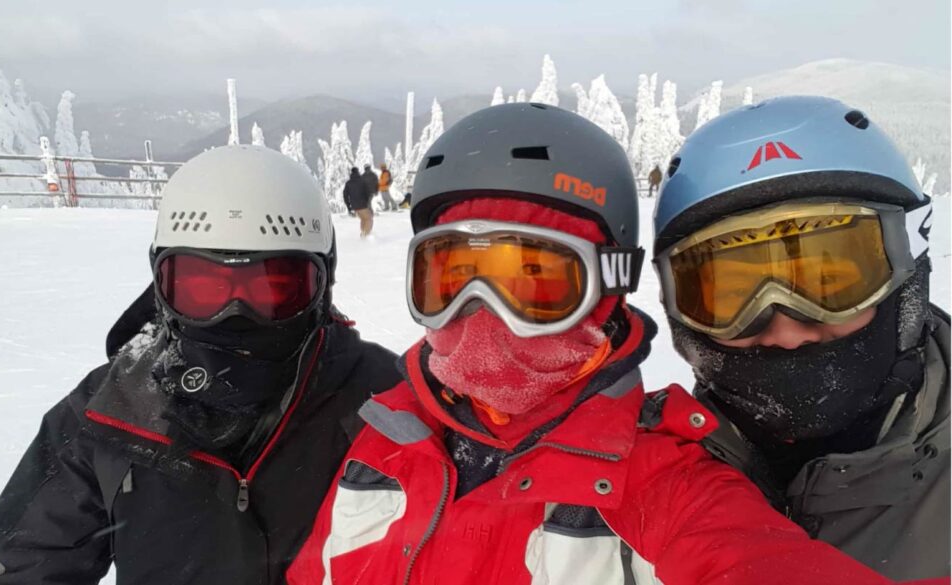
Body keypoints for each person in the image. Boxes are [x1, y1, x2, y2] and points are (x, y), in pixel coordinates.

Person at [288, 104, 894, 585]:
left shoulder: (667, 487)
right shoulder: (385, 441)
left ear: (608, 289)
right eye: (451, 280)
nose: (482, 317)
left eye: (536, 281)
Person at [0, 146, 401, 584]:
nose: (236, 313)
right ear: (161, 286)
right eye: (202, 288)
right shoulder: (113, 410)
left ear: (322, 286)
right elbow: (22, 563)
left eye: (274, 288)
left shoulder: (389, 402)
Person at [652, 96, 949, 581]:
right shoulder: (644, 487)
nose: (786, 330)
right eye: (731, 294)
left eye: (831, 282)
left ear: (906, 272)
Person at [344, 166, 372, 237]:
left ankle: (363, 233)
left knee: (363, 219)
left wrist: (349, 207)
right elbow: (368, 193)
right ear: (358, 172)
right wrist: (368, 202)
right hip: (363, 205)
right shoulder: (362, 181)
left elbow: (345, 196)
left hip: (354, 206)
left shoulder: (348, 183)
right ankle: (366, 235)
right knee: (369, 219)